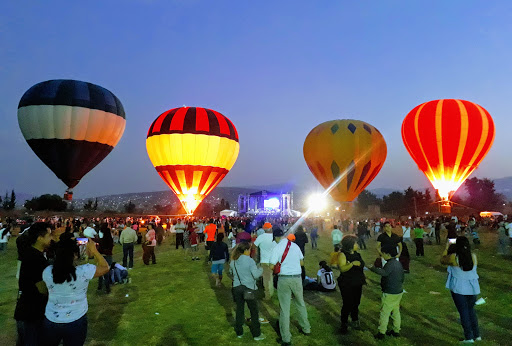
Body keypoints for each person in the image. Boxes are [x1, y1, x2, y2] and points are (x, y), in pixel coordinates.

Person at [43, 237, 109, 346]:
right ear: (74, 255)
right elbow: (105, 267)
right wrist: (94, 250)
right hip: (76, 320)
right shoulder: (84, 271)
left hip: (51, 319)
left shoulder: (47, 271)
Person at [270, 228, 311, 346]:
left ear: (276, 238)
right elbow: (301, 263)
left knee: (284, 308)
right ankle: (306, 328)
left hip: (284, 279)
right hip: (297, 278)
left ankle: (286, 338)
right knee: (300, 303)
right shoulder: (295, 246)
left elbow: (272, 266)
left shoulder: (277, 247)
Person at [14, 222, 53, 346]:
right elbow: (42, 289)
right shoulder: (36, 259)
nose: (51, 238)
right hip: (31, 314)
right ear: (39, 238)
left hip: (27, 312)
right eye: (49, 235)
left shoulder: (31, 254)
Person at [441, 236, 481, 343]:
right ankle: (476, 335)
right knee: (471, 311)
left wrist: (447, 246)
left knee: (463, 312)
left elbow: (442, 259)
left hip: (459, 288)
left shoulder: (454, 257)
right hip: (472, 288)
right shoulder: (473, 256)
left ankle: (469, 337)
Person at [229, 242, 265, 341]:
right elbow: (256, 275)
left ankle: (239, 332)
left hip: (237, 288)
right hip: (248, 288)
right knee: (253, 311)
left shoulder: (233, 261)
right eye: (249, 249)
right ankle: (257, 334)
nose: (250, 251)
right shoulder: (249, 261)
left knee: (240, 310)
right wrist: (261, 269)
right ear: (245, 250)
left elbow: (231, 273)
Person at [369, 244, 405, 339]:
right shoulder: (398, 263)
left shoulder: (390, 264)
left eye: (383, 253)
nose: (382, 255)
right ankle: (396, 330)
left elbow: (384, 273)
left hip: (390, 292)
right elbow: (402, 276)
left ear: (388, 254)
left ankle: (381, 332)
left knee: (385, 312)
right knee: (396, 311)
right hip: (398, 291)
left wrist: (372, 268)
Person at [337, 234, 365, 334]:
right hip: (347, 283)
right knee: (347, 304)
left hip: (358, 282)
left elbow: (362, 264)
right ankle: (344, 324)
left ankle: (355, 320)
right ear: (350, 244)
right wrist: (352, 264)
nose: (357, 244)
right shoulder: (342, 254)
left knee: (356, 303)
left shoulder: (357, 254)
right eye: (355, 243)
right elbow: (342, 268)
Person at [254, 222, 276, 300]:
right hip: (274, 260)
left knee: (266, 279)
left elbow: (254, 245)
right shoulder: (275, 236)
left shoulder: (261, 237)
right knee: (271, 278)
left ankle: (268, 295)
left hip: (264, 260)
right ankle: (271, 292)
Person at [97, 223, 114, 293]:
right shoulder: (110, 239)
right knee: (107, 271)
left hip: (102, 256)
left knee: (101, 272)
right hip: (108, 256)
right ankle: (107, 287)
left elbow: (99, 249)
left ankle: (100, 286)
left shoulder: (102, 240)